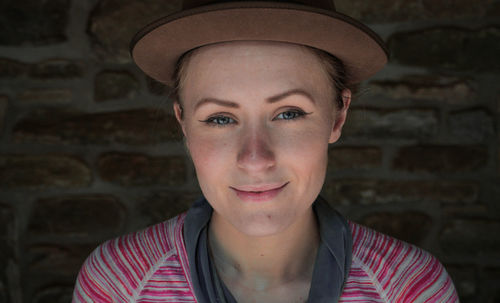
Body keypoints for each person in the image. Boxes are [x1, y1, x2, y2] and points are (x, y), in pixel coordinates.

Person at [72, 0, 459, 302]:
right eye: (220, 118)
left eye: (288, 113)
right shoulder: (118, 286)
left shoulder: (411, 290)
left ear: (337, 117)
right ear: (183, 123)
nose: (255, 158)